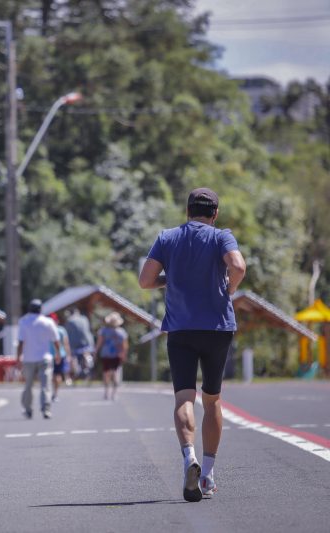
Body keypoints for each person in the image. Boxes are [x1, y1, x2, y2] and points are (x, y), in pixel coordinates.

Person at [139, 187, 246, 503]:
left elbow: (145, 281)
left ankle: (189, 459)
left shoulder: (168, 237)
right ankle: (208, 475)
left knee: (185, 398)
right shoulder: (220, 236)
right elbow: (237, 266)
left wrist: (168, 279)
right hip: (217, 329)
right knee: (212, 400)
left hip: (181, 330)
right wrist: (228, 286)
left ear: (187, 211)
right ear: (215, 214)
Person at [17, 299, 61, 419]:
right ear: (41, 309)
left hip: (28, 358)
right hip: (45, 358)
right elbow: (56, 340)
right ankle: (46, 409)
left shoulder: (23, 322)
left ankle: (27, 409)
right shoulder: (48, 322)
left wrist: (18, 358)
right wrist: (58, 354)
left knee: (28, 385)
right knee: (45, 385)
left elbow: (21, 342)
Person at [94, 312, 128, 401]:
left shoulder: (103, 331)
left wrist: (96, 352)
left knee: (106, 372)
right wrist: (124, 355)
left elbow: (99, 343)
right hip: (117, 354)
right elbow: (125, 345)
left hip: (106, 354)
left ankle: (106, 392)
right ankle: (114, 393)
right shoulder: (121, 332)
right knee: (115, 372)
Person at [64, 306, 95, 384]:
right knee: (86, 356)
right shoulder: (84, 319)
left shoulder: (70, 321)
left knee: (74, 359)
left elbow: (67, 334)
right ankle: (88, 369)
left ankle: (77, 373)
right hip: (87, 342)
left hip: (74, 344)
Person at [49, 312, 72, 401]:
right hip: (60, 355)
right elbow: (66, 344)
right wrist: (68, 355)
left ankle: (53, 392)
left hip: (49, 356)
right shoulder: (61, 330)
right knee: (57, 375)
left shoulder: (46, 331)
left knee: (51, 375)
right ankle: (55, 393)